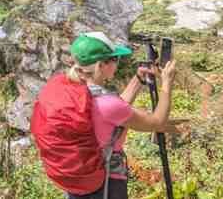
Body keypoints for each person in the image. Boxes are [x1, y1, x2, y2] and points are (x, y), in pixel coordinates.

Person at [66, 32, 177, 199]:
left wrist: (138, 79)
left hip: (79, 179)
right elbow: (158, 122)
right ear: (100, 66)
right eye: (114, 59)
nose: (117, 63)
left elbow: (113, 112)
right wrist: (167, 82)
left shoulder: (74, 91)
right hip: (105, 184)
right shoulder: (108, 104)